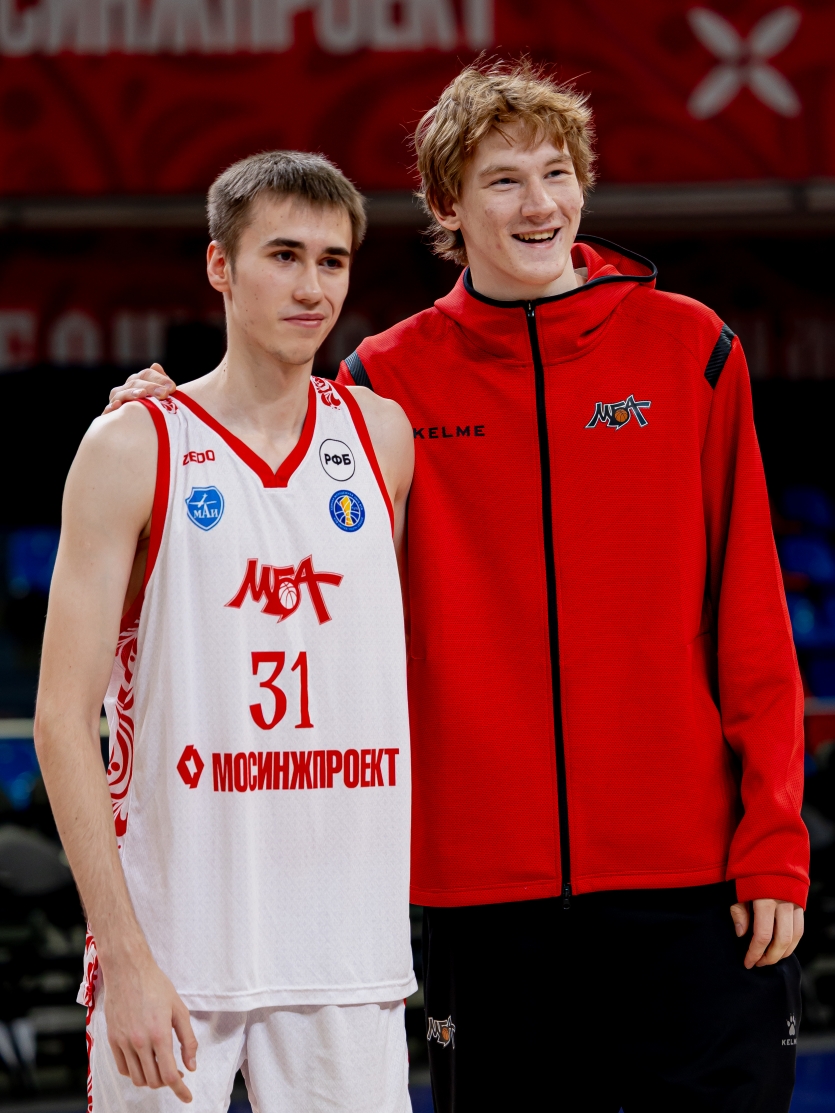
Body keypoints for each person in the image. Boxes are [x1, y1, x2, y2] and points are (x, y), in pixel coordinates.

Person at [108, 60, 809, 1112]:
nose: (540, 205)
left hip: (693, 883)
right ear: (445, 204)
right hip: (484, 898)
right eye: (503, 181)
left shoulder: (691, 351)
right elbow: (257, 485)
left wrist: (773, 845)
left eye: (557, 173)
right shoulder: (382, 387)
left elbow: (751, 613)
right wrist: (163, 413)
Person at [35, 150, 416, 1113]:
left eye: (332, 261)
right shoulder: (134, 443)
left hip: (344, 948)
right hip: (175, 950)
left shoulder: (382, 438)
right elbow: (60, 719)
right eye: (283, 255)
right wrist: (122, 952)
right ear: (220, 265)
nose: (311, 287)